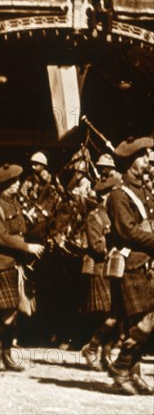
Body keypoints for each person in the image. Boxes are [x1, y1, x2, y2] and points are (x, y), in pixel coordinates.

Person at [0, 164, 44, 371]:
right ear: (4, 184)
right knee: (8, 312)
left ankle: (6, 354)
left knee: (15, 311)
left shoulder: (15, 205)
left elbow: (22, 231)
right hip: (2, 264)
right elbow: (0, 237)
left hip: (17, 264)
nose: (18, 184)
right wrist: (27, 247)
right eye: (13, 181)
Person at [105, 137, 154, 395]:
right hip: (132, 264)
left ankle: (131, 373)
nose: (148, 159)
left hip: (146, 264)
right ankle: (122, 367)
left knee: (143, 322)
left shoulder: (144, 191)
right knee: (142, 321)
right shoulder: (118, 195)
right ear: (130, 161)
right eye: (144, 156)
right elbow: (127, 232)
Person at [80, 176, 119, 372]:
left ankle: (104, 356)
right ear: (106, 195)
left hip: (114, 268)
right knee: (110, 315)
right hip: (100, 269)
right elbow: (97, 246)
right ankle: (93, 348)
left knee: (115, 314)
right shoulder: (94, 217)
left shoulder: (115, 215)